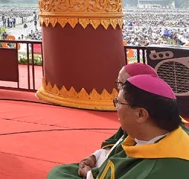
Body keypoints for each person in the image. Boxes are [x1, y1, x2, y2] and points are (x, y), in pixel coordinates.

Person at [48, 74, 189, 178]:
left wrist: (90, 175)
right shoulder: (151, 134)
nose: (116, 107)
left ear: (140, 114)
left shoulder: (161, 171)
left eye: (118, 102)